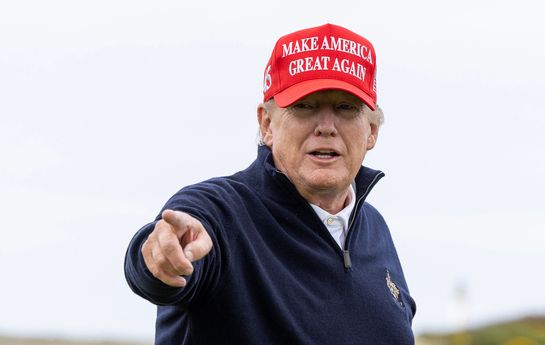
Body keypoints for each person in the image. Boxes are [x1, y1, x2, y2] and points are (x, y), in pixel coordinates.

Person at [124, 23, 416, 344]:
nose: (326, 126)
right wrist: (160, 258)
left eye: (346, 108)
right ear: (267, 124)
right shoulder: (218, 212)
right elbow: (159, 261)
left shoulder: (374, 228)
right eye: (304, 106)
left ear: (372, 131)